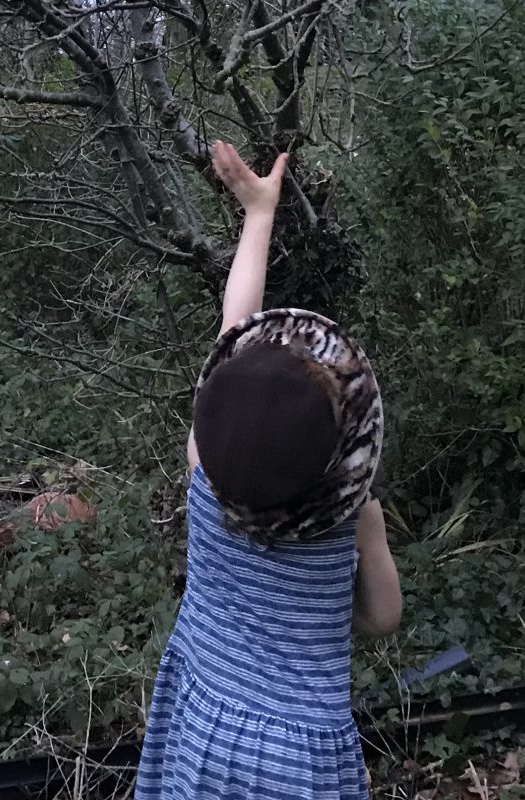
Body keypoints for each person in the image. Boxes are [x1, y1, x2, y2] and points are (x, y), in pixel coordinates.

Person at [135, 142, 403, 799]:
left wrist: (258, 214)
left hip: (204, 723)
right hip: (298, 756)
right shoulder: (354, 521)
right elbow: (383, 617)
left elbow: (235, 322)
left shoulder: (205, 470)